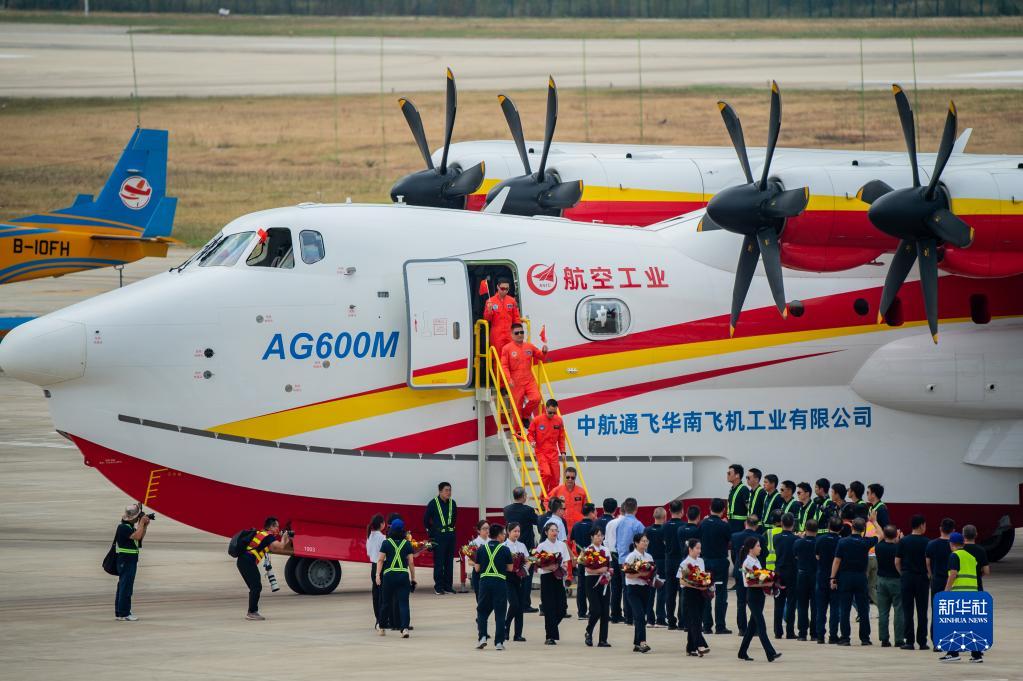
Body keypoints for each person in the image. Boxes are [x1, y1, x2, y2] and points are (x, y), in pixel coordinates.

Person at [831, 517, 879, 646]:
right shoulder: (866, 542)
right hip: (860, 577)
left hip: (845, 577)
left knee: (845, 609)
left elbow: (837, 561)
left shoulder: (842, 542)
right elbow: (880, 535)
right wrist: (874, 521)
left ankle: (845, 638)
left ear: (852, 527)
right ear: (863, 529)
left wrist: (832, 577)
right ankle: (865, 638)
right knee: (863, 609)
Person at [939, 532, 984, 662]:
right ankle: (976, 655)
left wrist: (946, 590)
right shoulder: (971, 557)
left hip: (959, 593)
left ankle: (953, 653)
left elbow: (953, 574)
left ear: (952, 544)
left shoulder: (954, 555)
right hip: (973, 593)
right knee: (970, 625)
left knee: (954, 623)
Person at [237, 516, 290, 622]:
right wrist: (285, 537)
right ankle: (252, 612)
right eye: (277, 527)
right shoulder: (268, 536)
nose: (278, 529)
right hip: (247, 562)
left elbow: (274, 548)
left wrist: (285, 539)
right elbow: (281, 546)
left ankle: (252, 611)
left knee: (255, 587)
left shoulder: (262, 533)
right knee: (256, 587)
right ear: (271, 527)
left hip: (243, 561)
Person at [737, 537, 781, 662]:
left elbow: (760, 578)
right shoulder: (747, 563)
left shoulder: (756, 560)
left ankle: (742, 652)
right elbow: (748, 582)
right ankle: (770, 653)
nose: (760, 548)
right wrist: (767, 584)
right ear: (751, 549)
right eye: (758, 546)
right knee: (761, 625)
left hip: (759, 596)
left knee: (752, 627)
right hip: (752, 596)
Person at [475, 523, 514, 650]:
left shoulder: (481, 549)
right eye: (503, 534)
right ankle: (499, 643)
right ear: (499, 535)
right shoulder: (505, 550)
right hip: (499, 582)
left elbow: (477, 568)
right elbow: (510, 568)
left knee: (482, 611)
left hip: (484, 582)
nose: (504, 536)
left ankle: (482, 637)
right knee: (500, 613)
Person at [896, 513, 931, 650]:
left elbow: (897, 561)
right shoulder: (927, 542)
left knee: (907, 610)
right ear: (921, 525)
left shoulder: (903, 541)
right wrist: (929, 574)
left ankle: (909, 641)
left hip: (907, 577)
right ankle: (922, 642)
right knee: (922, 611)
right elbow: (928, 562)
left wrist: (903, 573)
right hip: (922, 578)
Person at [502, 323, 548, 425]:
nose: (520, 335)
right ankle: (517, 430)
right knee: (517, 406)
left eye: (521, 332)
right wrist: (509, 379)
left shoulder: (529, 346)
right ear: (511, 334)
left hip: (529, 379)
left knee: (536, 398)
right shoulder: (507, 348)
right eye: (517, 333)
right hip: (516, 381)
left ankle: (525, 415)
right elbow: (504, 366)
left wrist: (544, 352)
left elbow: (541, 356)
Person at [376, 519, 415, 638]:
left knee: (386, 602)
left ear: (391, 529)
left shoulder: (386, 543)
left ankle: (382, 627)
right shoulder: (407, 544)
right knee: (404, 603)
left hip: (389, 576)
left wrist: (377, 575)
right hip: (403, 575)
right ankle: (404, 629)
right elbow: (411, 562)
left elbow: (380, 560)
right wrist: (413, 578)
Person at [700, 498, 732, 634]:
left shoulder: (703, 523)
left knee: (706, 593)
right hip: (720, 562)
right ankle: (720, 626)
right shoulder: (724, 525)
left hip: (706, 562)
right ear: (723, 510)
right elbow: (729, 540)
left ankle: (707, 625)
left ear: (710, 508)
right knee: (721, 594)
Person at [503, 487, 538, 611]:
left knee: (512, 575)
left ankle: (516, 601)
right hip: (526, 547)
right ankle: (525, 604)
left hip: (511, 547)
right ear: (523, 496)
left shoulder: (506, 509)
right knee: (527, 574)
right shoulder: (528, 510)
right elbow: (537, 522)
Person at [536, 521, 572, 645]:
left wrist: (563, 568)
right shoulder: (541, 546)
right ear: (546, 532)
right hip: (546, 577)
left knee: (562, 608)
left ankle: (551, 628)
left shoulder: (562, 545)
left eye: (556, 530)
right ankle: (550, 636)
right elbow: (537, 563)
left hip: (558, 577)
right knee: (549, 607)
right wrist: (548, 567)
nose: (554, 532)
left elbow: (566, 561)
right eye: (552, 530)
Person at [114, 503, 150, 621]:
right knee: (126, 587)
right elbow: (137, 536)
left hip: (129, 560)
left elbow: (139, 538)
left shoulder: (129, 527)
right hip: (126, 561)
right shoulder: (123, 527)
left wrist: (144, 526)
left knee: (123, 586)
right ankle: (124, 613)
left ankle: (120, 613)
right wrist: (141, 523)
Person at [613, 498, 645, 626]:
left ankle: (628, 617)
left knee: (626, 588)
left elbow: (616, 542)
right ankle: (635, 615)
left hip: (621, 559)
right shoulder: (638, 525)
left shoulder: (619, 523)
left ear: (624, 508)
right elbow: (643, 543)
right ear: (636, 509)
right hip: (634, 559)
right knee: (635, 588)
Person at [678, 538, 712, 657]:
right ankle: (700, 645)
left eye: (700, 548)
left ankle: (690, 648)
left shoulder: (701, 561)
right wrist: (695, 585)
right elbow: (682, 581)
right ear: (690, 549)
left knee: (696, 620)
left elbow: (703, 576)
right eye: (697, 548)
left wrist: (707, 583)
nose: (699, 550)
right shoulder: (685, 563)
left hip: (701, 593)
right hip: (689, 594)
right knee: (695, 620)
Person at [623, 532, 655, 653]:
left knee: (641, 616)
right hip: (633, 589)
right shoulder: (631, 557)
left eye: (647, 541)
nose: (645, 543)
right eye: (643, 541)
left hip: (645, 589)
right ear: (636, 543)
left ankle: (637, 643)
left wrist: (651, 576)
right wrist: (641, 574)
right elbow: (628, 574)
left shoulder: (649, 557)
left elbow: (652, 571)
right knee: (640, 616)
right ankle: (642, 642)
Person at [926, 517, 955, 650]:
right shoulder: (955, 546)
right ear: (953, 530)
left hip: (937, 580)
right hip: (951, 581)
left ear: (940, 529)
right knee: (951, 613)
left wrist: (931, 575)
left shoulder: (931, 544)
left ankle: (936, 642)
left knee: (936, 611)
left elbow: (928, 563)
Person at [730, 515, 762, 636]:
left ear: (745, 523)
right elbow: (762, 555)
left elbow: (734, 554)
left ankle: (742, 629)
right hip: (755, 572)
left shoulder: (735, 536)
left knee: (741, 602)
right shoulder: (760, 538)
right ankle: (755, 628)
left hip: (740, 571)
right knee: (755, 602)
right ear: (757, 526)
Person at [423, 481, 457, 595]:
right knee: (439, 562)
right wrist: (432, 532)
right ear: (440, 491)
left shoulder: (453, 503)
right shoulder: (433, 503)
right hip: (438, 536)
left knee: (449, 562)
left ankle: (448, 586)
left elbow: (454, 518)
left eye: (450, 490)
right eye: (446, 490)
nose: (449, 492)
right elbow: (426, 520)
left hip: (450, 536)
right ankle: (438, 587)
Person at [875, 524, 905, 648]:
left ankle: (884, 639)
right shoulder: (898, 547)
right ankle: (899, 639)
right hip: (896, 580)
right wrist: (900, 540)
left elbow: (881, 538)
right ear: (896, 535)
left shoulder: (878, 547)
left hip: (881, 580)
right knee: (899, 610)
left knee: (883, 612)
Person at [582, 527, 612, 648]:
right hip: (591, 581)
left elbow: (609, 566)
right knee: (596, 609)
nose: (600, 538)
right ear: (592, 537)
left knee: (605, 611)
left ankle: (603, 639)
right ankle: (589, 631)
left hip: (604, 581)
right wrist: (601, 570)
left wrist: (608, 572)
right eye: (597, 535)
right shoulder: (588, 550)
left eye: (601, 535)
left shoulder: (606, 549)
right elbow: (588, 569)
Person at [815, 515, 843, 643]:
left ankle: (820, 636)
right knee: (835, 608)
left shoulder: (820, 539)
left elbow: (817, 556)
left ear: (828, 526)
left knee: (821, 608)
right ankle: (833, 636)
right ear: (841, 528)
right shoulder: (841, 541)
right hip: (836, 577)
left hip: (822, 575)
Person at [527, 399, 565, 492]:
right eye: (550, 412)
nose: (552, 414)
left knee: (556, 477)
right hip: (541, 452)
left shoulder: (559, 420)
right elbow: (530, 434)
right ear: (546, 408)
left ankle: (551, 497)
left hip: (553, 452)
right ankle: (543, 497)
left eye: (554, 412)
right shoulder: (537, 420)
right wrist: (532, 441)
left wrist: (563, 451)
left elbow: (561, 437)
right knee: (547, 474)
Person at [773, 512, 799, 639]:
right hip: (792, 572)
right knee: (791, 602)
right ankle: (790, 631)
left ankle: (778, 631)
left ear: (781, 523)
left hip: (778, 572)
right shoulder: (796, 539)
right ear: (793, 524)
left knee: (778, 602)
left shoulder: (776, 537)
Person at [678, 505, 704, 631]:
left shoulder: (680, 529)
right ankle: (693, 623)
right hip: (690, 562)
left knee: (683, 597)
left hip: (683, 558)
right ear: (698, 517)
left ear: (686, 515)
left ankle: (682, 622)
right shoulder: (698, 530)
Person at [504, 522, 530, 643]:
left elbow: (528, 560)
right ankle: (506, 625)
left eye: (518, 531)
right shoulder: (504, 546)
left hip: (521, 577)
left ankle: (518, 634)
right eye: (514, 531)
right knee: (514, 604)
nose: (517, 533)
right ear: (508, 532)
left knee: (520, 606)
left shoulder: (522, 545)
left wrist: (524, 568)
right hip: (508, 578)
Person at [793, 518, 818, 640]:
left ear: (805, 529)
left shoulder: (798, 542)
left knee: (802, 605)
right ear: (817, 530)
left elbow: (795, 556)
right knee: (815, 605)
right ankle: (814, 633)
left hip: (802, 574)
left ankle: (802, 633)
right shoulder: (819, 542)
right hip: (816, 574)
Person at [570, 503, 597, 620]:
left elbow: (573, 540)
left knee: (581, 586)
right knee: (592, 585)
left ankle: (581, 612)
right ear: (591, 512)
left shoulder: (576, 525)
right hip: (593, 559)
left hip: (581, 558)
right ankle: (593, 611)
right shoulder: (594, 526)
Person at [663, 500, 686, 630]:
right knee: (682, 591)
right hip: (681, 560)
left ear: (669, 511)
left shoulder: (664, 526)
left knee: (670, 593)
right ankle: (682, 620)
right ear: (682, 511)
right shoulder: (683, 526)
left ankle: (671, 621)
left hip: (669, 561)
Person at [483, 277, 520, 357]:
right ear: (497, 287)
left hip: (510, 334)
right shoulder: (490, 301)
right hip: (497, 334)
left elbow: (516, 318)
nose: (504, 291)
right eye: (502, 288)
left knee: (512, 356)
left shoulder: (512, 301)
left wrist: (518, 332)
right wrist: (489, 311)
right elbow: (487, 319)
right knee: (497, 356)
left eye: (507, 289)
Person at [547, 466, 589, 531]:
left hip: (577, 527)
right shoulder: (557, 490)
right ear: (564, 477)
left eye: (572, 478)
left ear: (575, 478)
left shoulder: (581, 492)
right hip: (561, 526)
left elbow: (586, 509)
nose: (570, 479)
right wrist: (552, 513)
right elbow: (547, 501)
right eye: (568, 477)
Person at [366, 514, 386, 628]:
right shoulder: (382, 538)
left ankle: (377, 619)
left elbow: (368, 553)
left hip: (373, 567)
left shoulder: (369, 536)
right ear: (382, 524)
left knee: (375, 594)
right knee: (383, 595)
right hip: (381, 566)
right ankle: (382, 619)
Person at [961, 524, 991, 592]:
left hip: (960, 586)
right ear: (976, 535)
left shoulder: (959, 550)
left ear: (963, 535)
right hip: (976, 585)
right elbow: (986, 571)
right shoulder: (981, 550)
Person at [468, 519, 490, 598]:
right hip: (478, 572)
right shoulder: (473, 543)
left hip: (490, 572)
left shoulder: (492, 542)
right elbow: (469, 562)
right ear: (478, 530)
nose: (487, 530)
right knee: (479, 596)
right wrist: (480, 564)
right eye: (484, 528)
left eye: (488, 528)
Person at [727, 464, 750, 534]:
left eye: (729, 473)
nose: (727, 475)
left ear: (737, 475)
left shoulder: (744, 489)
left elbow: (749, 508)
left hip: (740, 526)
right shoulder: (732, 490)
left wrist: (748, 523)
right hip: (731, 524)